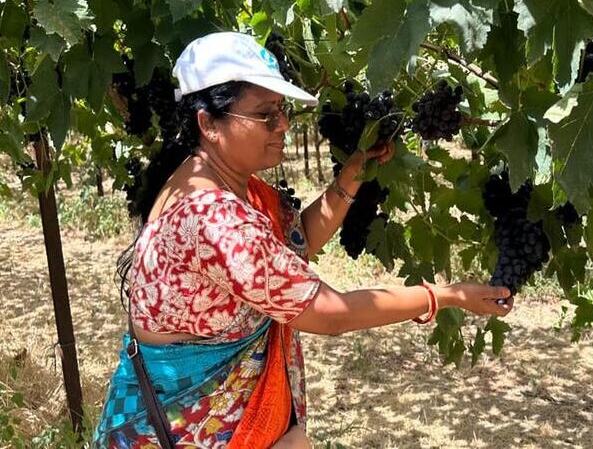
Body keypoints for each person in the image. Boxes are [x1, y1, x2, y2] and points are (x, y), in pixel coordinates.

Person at [94, 32, 513, 448]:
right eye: (265, 115)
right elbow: (333, 314)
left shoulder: (214, 185)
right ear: (208, 123)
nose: (283, 126)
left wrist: (351, 175)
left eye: (282, 110)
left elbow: (296, 242)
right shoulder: (215, 221)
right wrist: (446, 295)